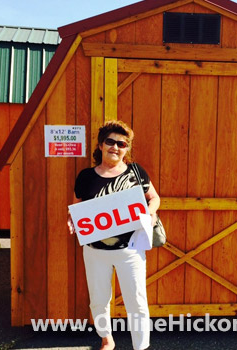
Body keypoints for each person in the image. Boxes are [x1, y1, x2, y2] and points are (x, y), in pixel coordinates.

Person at [68, 120, 160, 350]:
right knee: (99, 300)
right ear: (100, 145)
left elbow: (154, 198)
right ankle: (106, 339)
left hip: (130, 249)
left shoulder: (136, 172)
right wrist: (72, 222)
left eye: (122, 143)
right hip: (95, 251)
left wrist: (149, 214)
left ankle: (141, 346)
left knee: (137, 301)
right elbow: (76, 209)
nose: (115, 147)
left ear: (127, 148)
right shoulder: (86, 176)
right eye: (110, 141)